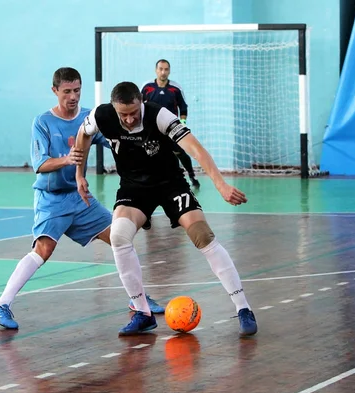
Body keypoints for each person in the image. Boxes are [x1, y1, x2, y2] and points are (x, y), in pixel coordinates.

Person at [74, 81, 257, 337]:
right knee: (118, 236)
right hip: (134, 187)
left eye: (133, 112)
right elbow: (83, 136)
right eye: (123, 114)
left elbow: (196, 148)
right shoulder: (100, 115)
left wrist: (221, 185)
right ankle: (142, 312)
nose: (128, 119)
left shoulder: (159, 115)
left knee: (202, 235)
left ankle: (243, 308)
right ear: (114, 108)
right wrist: (79, 175)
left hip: (169, 183)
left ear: (141, 102)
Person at [0, 69, 164, 330]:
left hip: (81, 199)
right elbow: (40, 164)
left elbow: (116, 140)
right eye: (67, 91)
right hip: (52, 200)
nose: (73, 96)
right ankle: (1, 304)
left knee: (120, 238)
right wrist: (68, 159)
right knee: (43, 250)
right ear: (55, 91)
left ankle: (138, 300)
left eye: (77, 90)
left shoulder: (88, 118)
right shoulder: (43, 122)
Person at [141, 59, 200, 189]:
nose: (163, 72)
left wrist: (182, 123)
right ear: (156, 70)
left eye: (166, 69)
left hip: (171, 127)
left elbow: (183, 108)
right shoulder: (147, 87)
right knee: (149, 152)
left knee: (179, 152)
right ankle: (149, 179)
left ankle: (191, 175)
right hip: (152, 128)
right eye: (160, 69)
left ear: (169, 71)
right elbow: (139, 106)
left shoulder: (175, 88)